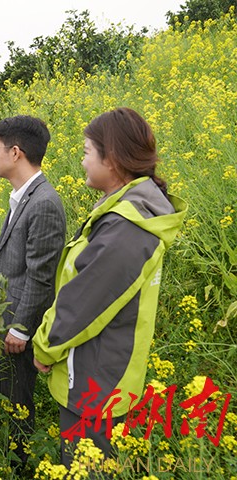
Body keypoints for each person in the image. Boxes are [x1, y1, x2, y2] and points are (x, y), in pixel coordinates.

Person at [32, 107, 187, 467]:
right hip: (99, 372)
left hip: (96, 381)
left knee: (84, 468)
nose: (82, 161)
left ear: (112, 158)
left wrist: (44, 347)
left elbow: (85, 302)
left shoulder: (127, 228)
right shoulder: (126, 212)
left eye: (87, 151)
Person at [0, 115, 66, 468]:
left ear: (16, 152)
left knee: (17, 400)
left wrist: (21, 327)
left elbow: (41, 276)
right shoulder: (22, 197)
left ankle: (18, 467)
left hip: (15, 324)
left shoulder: (44, 202)